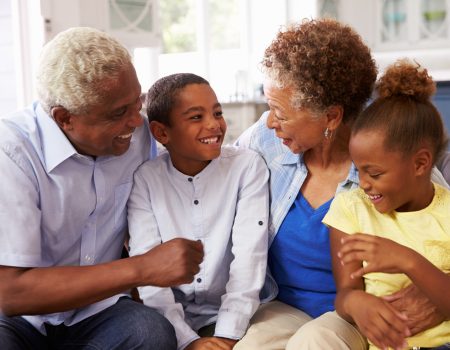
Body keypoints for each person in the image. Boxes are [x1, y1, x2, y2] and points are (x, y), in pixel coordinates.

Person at [234, 18, 448, 349]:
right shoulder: (264, 139)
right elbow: (214, 187)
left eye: (280, 111)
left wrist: (437, 293)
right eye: (268, 107)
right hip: (282, 305)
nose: (270, 121)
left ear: (331, 117)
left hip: (357, 318)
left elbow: (434, 216)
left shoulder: (388, 159)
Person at [0, 27, 204, 349]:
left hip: (98, 311)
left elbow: (202, 154)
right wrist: (143, 268)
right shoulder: (11, 152)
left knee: (151, 334)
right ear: (65, 118)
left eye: (137, 102)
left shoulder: (137, 134)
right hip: (18, 320)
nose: (136, 121)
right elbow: (11, 292)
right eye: (119, 113)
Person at [127, 73, 269, 350]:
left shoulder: (246, 167)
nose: (214, 125)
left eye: (217, 113)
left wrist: (227, 336)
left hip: (239, 315)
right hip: (169, 322)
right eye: (196, 117)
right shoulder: (145, 179)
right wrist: (188, 341)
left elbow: (249, 258)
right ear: (161, 133)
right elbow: (149, 273)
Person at [324, 59, 450, 350]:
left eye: (375, 173)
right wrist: (355, 302)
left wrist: (409, 261)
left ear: (420, 164)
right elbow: (345, 293)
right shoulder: (350, 209)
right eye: (359, 169)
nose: (364, 183)